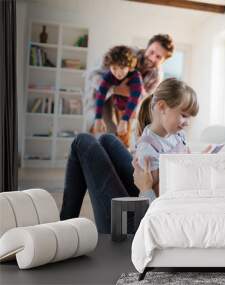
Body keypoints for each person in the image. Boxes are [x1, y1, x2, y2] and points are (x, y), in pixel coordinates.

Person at [60, 78, 210, 233]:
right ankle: (65, 226)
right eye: (184, 115)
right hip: (147, 200)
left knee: (82, 141)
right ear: (162, 107)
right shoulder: (172, 138)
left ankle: (64, 230)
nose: (187, 123)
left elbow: (154, 214)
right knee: (107, 139)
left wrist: (146, 187)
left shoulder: (172, 140)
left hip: (138, 222)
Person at [85, 34, 175, 146]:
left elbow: (142, 98)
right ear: (147, 46)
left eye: (158, 57)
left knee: (124, 139)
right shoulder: (126, 53)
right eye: (152, 52)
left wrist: (126, 118)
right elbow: (93, 75)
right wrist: (115, 89)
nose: (152, 58)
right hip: (105, 99)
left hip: (128, 105)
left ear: (164, 60)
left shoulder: (155, 76)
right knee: (104, 133)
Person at [93, 45, 143, 147]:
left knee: (124, 137)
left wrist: (124, 120)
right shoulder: (109, 76)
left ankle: (125, 151)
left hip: (130, 108)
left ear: (129, 67)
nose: (118, 72)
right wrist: (98, 118)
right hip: (114, 103)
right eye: (114, 68)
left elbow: (135, 99)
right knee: (108, 132)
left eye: (122, 68)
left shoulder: (135, 77)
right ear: (109, 66)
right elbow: (101, 94)